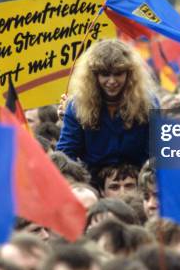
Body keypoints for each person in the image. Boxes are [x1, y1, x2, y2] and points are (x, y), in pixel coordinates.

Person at [56, 39, 156, 172]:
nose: (112, 81)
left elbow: (157, 152)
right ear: (93, 76)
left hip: (138, 181)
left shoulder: (148, 103)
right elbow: (66, 154)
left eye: (118, 74)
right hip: (93, 182)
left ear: (130, 74)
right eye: (105, 74)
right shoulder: (76, 106)